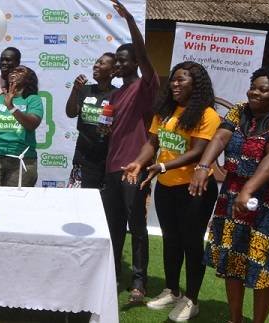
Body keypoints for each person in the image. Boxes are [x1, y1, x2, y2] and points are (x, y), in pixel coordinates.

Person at [190, 66, 269, 323]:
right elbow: (220, 137)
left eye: (263, 89)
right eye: (253, 87)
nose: (255, 93)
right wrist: (203, 166)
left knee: (265, 267)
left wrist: (248, 189)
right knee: (232, 259)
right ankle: (235, 319)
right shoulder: (240, 111)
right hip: (232, 195)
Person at [122, 62, 220, 321]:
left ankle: (192, 300)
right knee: (171, 240)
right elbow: (152, 142)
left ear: (195, 84)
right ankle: (173, 291)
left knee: (191, 243)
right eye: (173, 80)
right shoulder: (165, 111)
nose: (175, 85)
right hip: (165, 187)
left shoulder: (207, 114)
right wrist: (139, 162)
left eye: (181, 80)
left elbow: (198, 151)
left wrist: (163, 165)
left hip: (194, 190)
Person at [101, 0, 160, 303]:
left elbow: (145, 54)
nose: (120, 65)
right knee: (113, 228)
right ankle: (111, 276)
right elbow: (111, 127)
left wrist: (130, 22)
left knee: (136, 226)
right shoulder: (115, 93)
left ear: (137, 62)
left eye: (126, 61)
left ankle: (139, 283)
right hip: (112, 168)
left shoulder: (145, 85)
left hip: (133, 167)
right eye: (118, 62)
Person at [0, 66, 42, 187]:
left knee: (14, 202)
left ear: (29, 79)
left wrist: (11, 107)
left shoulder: (33, 99)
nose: (14, 72)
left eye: (20, 71)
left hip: (21, 160)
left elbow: (32, 124)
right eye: (13, 70)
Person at [65, 53, 117, 188]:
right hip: (83, 155)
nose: (96, 65)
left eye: (102, 63)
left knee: (100, 202)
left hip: (105, 158)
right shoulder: (85, 90)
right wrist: (75, 90)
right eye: (97, 62)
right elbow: (71, 113)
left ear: (112, 71)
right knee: (79, 201)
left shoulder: (117, 95)